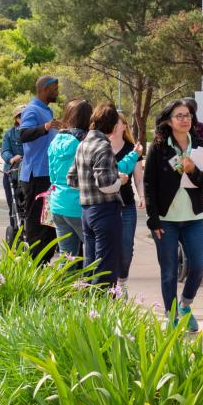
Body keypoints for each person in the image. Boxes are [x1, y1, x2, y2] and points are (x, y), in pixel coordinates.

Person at [144, 99, 203, 333]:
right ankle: (171, 314)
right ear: (168, 121)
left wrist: (193, 170)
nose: (185, 120)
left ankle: (185, 305)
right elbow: (149, 184)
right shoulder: (159, 147)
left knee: (198, 265)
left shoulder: (201, 145)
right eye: (179, 116)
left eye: (188, 115)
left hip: (193, 217)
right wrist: (152, 218)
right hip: (166, 219)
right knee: (169, 270)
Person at [68, 103, 127, 288]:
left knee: (91, 263)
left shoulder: (83, 144)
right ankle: (101, 308)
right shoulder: (103, 146)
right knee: (105, 266)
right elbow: (106, 185)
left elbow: (71, 179)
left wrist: (90, 184)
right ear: (113, 126)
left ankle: (89, 305)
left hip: (86, 211)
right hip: (105, 212)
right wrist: (120, 181)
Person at [20, 75, 59, 261]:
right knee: (36, 225)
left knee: (49, 224)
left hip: (49, 176)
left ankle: (45, 263)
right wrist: (45, 127)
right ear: (44, 89)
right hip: (36, 176)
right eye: (54, 88)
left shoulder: (47, 111)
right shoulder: (32, 110)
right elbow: (24, 134)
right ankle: (35, 266)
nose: (57, 92)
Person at [48, 100, 93, 257]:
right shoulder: (83, 142)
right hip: (78, 204)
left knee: (66, 257)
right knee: (94, 253)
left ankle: (65, 282)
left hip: (57, 204)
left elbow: (52, 176)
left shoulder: (54, 142)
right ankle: (92, 282)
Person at [111, 113, 145, 292]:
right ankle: (108, 286)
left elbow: (138, 179)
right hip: (105, 205)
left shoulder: (132, 149)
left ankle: (121, 281)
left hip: (126, 206)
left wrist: (142, 196)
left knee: (126, 250)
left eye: (116, 121)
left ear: (124, 126)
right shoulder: (102, 147)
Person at [0, 105, 25, 216]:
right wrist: (11, 158)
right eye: (21, 116)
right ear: (16, 119)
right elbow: (4, 151)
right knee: (14, 207)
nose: (24, 119)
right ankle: (15, 229)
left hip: (29, 175)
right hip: (12, 174)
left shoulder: (36, 132)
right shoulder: (9, 134)